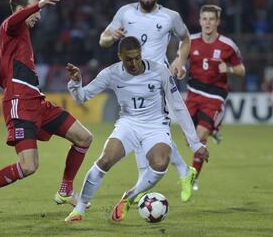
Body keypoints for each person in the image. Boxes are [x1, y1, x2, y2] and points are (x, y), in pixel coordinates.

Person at [0, 0, 93, 224]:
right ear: (22, 9)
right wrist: (41, 3)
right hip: (21, 106)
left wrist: (9, 82)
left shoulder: (12, 43)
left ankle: (65, 189)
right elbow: (12, 22)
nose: (39, 16)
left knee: (84, 138)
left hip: (37, 102)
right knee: (29, 166)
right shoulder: (9, 27)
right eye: (35, 10)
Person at [64, 36, 209, 222]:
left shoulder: (160, 72)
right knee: (105, 160)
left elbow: (179, 106)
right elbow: (81, 98)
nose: (133, 63)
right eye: (128, 59)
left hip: (156, 125)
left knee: (160, 162)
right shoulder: (111, 73)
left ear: (141, 54)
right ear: (119, 57)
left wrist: (195, 144)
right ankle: (80, 208)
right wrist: (76, 84)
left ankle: (130, 197)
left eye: (136, 58)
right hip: (128, 124)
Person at [99, 0, 196, 202]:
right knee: (147, 130)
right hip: (131, 81)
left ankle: (145, 187)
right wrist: (111, 37)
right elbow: (102, 39)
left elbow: (186, 38)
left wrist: (180, 60)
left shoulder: (170, 17)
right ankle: (183, 171)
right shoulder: (125, 13)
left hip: (157, 80)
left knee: (146, 128)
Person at [185, 4, 245, 191]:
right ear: (200, 21)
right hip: (193, 92)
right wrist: (176, 67)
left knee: (200, 134)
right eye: (205, 19)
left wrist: (228, 68)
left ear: (218, 21)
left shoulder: (228, 45)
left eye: (212, 19)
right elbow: (178, 60)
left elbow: (241, 70)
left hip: (215, 94)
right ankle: (215, 128)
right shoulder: (190, 41)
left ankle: (191, 178)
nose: (208, 23)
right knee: (190, 140)